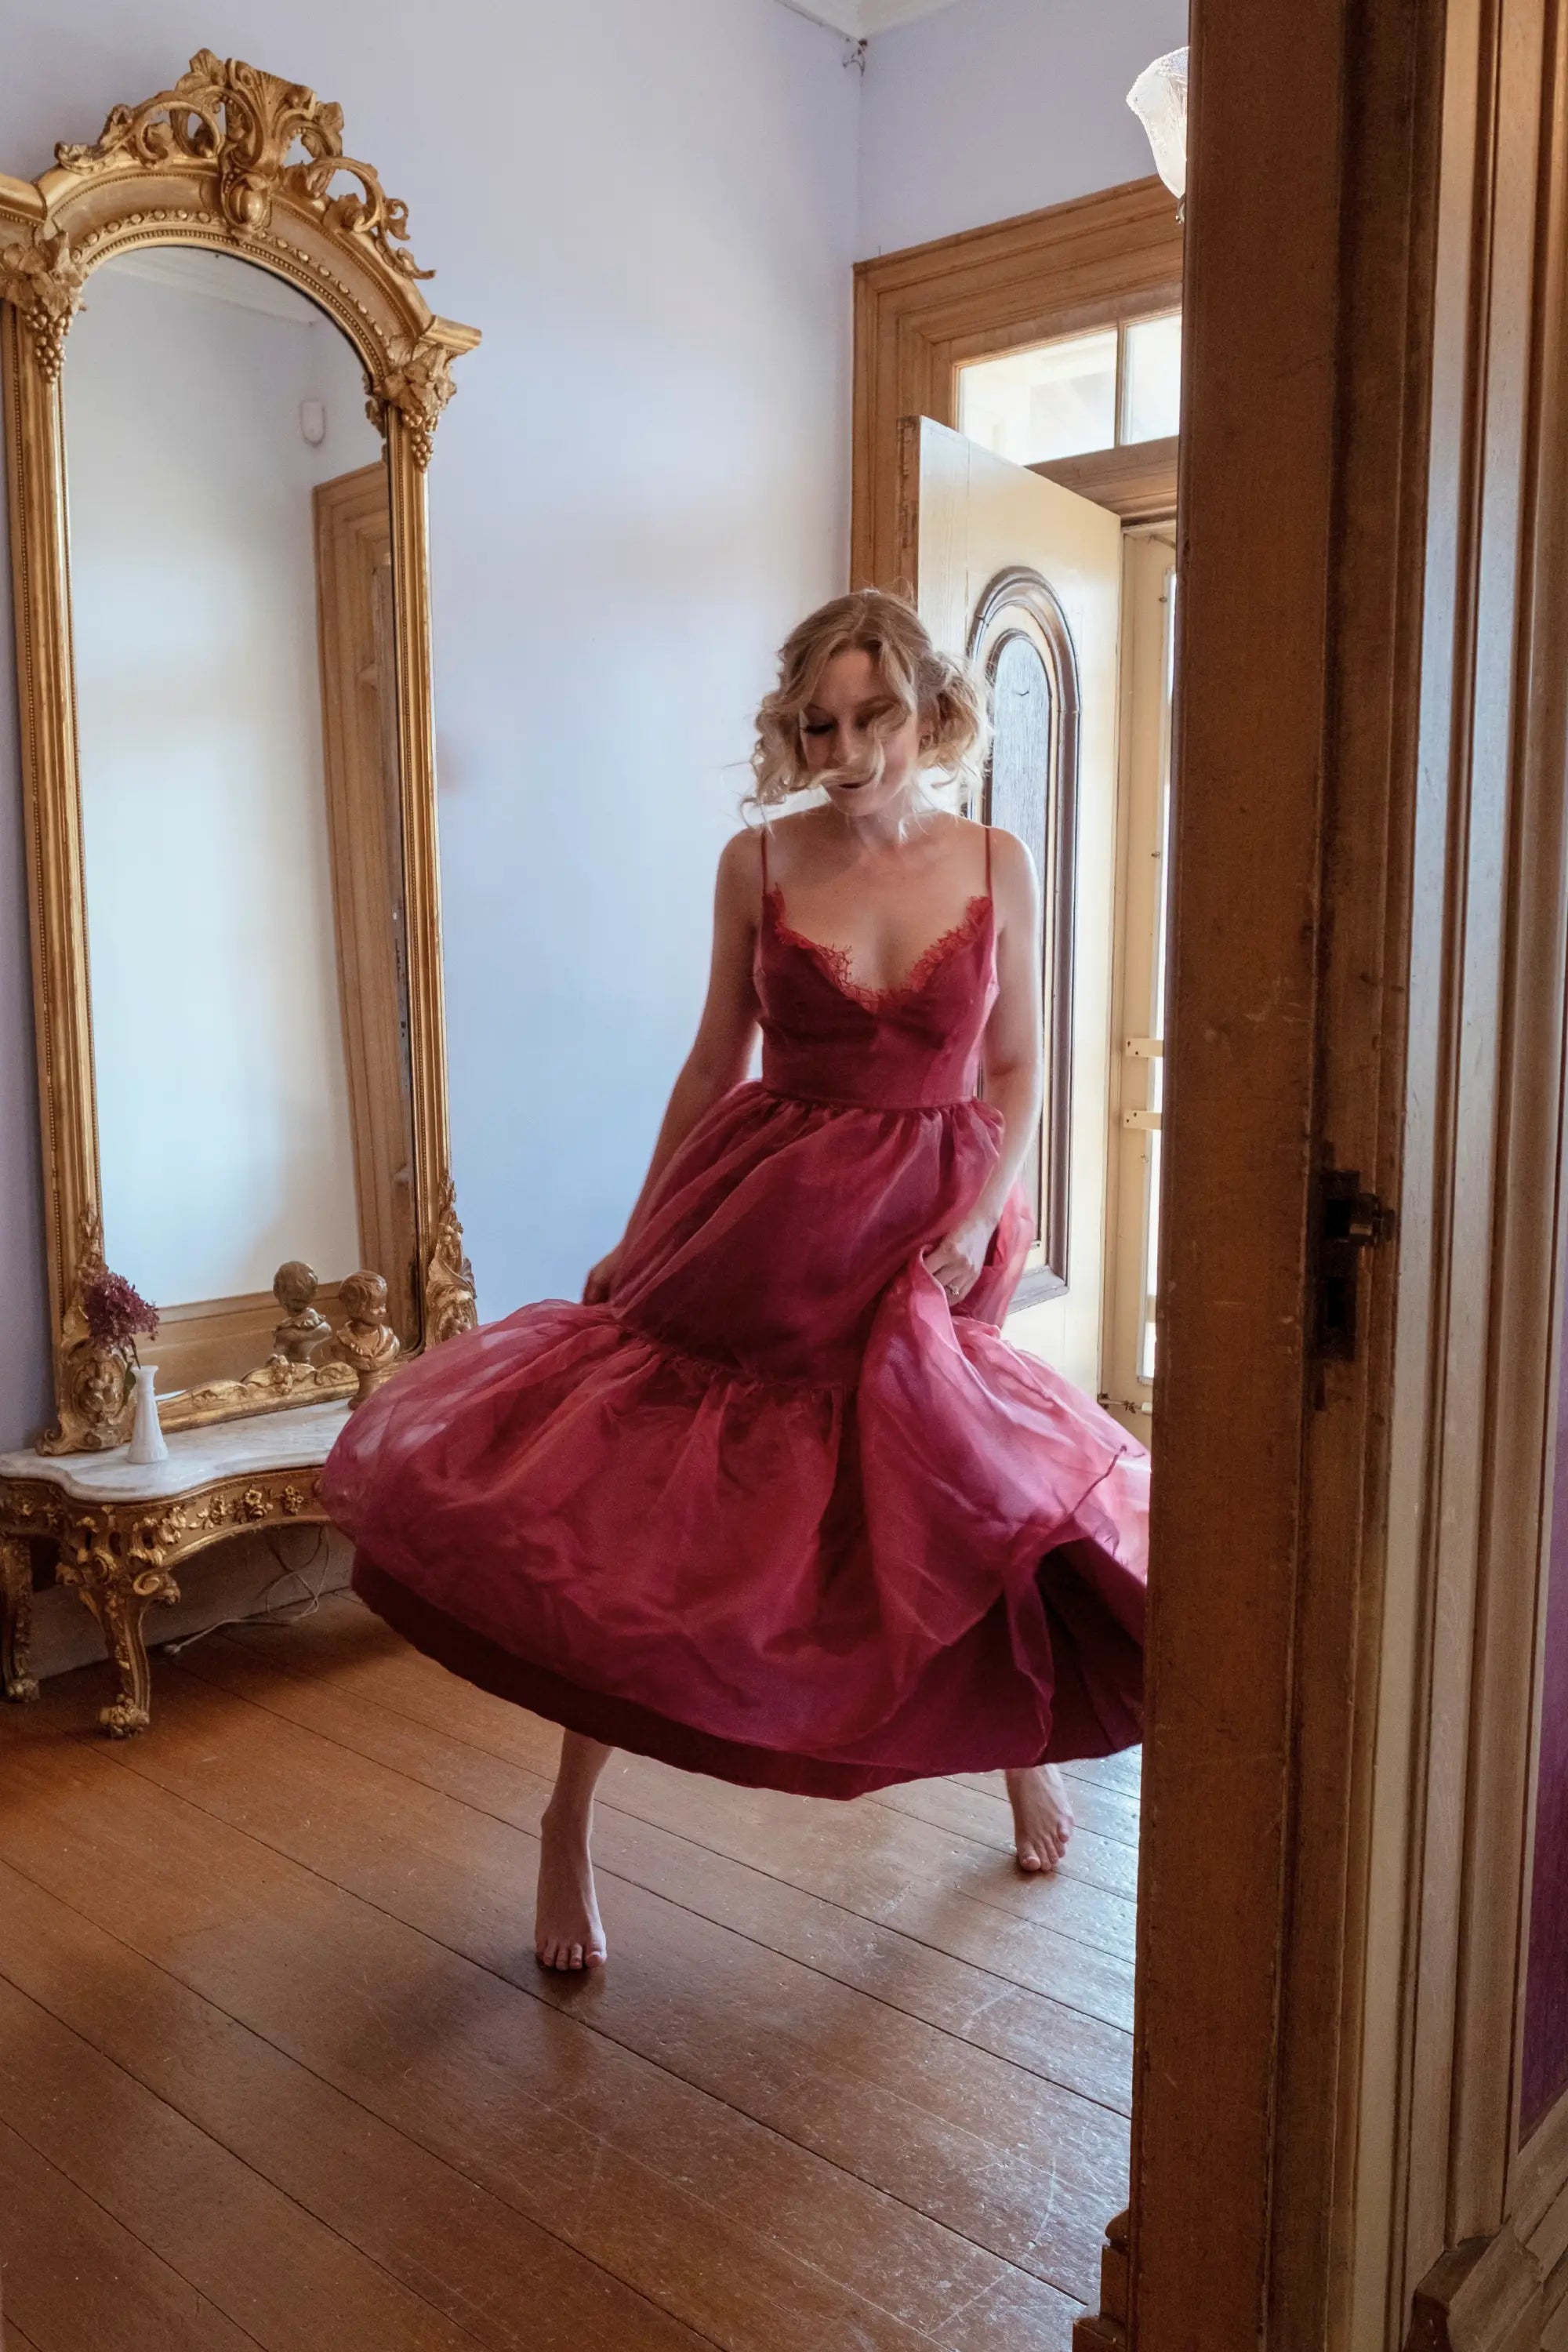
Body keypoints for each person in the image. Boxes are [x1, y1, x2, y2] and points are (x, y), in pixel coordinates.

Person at [322, 589, 1148, 1973]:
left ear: (928, 711)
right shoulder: (756, 863)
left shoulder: (998, 857)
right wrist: (644, 1229)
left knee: (958, 1494)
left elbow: (1016, 1067)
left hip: (939, 1217)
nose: (847, 747)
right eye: (818, 722)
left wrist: (985, 1211)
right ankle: (567, 1822)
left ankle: (1020, 1753)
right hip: (769, 1212)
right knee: (652, 1528)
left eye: (872, 717)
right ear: (791, 727)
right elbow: (716, 1063)